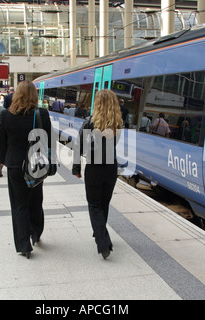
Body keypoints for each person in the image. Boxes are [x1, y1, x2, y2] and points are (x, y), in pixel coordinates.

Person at [0, 81, 55, 259]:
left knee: (19, 205)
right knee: (36, 200)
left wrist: (6, 159)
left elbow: (0, 141)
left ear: (16, 95)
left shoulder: (6, 115)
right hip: (35, 165)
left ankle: (23, 245)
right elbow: (49, 140)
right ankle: (36, 233)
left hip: (15, 166)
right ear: (34, 95)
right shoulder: (41, 114)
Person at [72, 89, 123, 259]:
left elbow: (78, 146)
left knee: (94, 204)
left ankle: (103, 242)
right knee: (104, 202)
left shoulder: (89, 122)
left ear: (97, 104)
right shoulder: (118, 124)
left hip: (94, 167)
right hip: (110, 168)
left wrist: (76, 168)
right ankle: (99, 231)